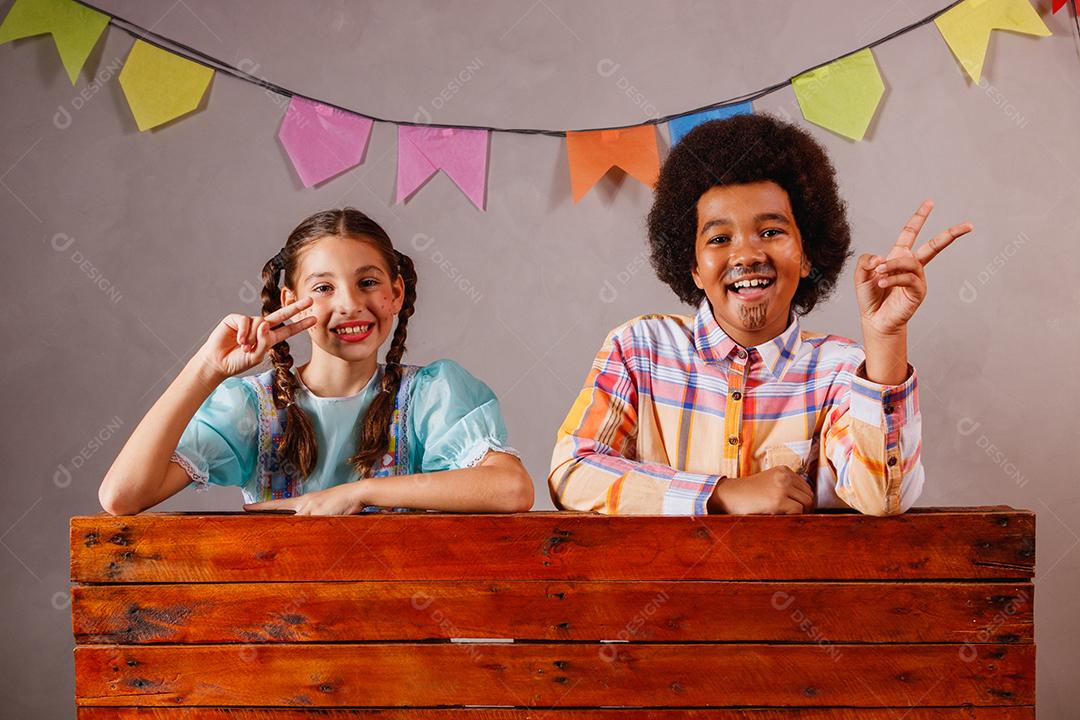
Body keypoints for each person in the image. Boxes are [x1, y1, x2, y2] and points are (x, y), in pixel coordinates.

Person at [549, 114, 971, 516]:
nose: (747, 255)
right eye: (719, 237)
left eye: (771, 232)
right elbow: (571, 472)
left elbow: (883, 498)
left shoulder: (840, 372)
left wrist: (884, 337)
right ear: (693, 266)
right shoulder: (638, 350)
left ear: (806, 255)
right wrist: (721, 494)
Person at [100, 208, 533, 516]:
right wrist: (207, 368)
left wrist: (360, 493)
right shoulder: (254, 408)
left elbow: (511, 488)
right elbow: (122, 497)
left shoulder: (431, 397)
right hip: (278, 635)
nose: (350, 304)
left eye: (367, 282)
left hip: (402, 634)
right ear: (290, 302)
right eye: (324, 288)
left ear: (396, 293)